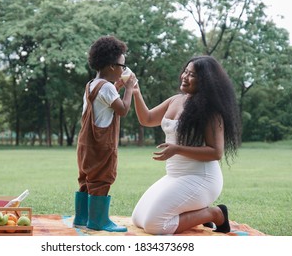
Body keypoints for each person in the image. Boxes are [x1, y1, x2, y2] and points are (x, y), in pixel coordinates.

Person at [131, 55, 242, 235]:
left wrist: (177, 149)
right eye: (185, 71)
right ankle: (197, 213)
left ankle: (215, 213)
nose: (184, 76)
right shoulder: (175, 100)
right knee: (138, 218)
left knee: (155, 225)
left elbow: (216, 152)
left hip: (202, 179)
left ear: (205, 81)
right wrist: (136, 93)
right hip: (174, 176)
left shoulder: (210, 111)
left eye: (192, 75)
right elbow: (147, 119)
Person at [73, 35, 136, 232]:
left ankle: (81, 218)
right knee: (101, 180)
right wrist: (130, 89)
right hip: (102, 146)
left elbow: (104, 102)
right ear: (111, 66)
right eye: (122, 66)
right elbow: (123, 110)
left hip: (85, 144)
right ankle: (99, 221)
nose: (123, 70)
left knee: (86, 179)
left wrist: (117, 88)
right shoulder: (107, 87)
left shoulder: (92, 84)